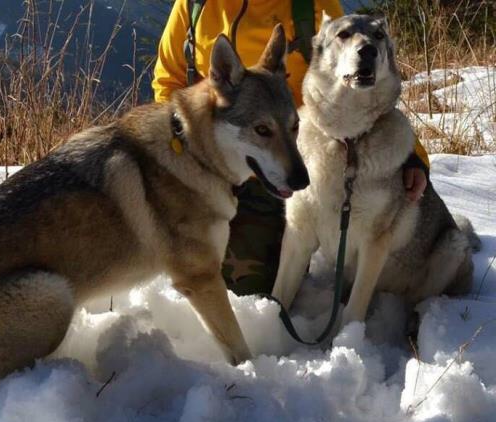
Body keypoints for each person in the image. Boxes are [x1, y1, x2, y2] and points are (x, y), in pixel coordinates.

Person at [152, 0, 429, 296]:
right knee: (184, 268)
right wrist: (180, 147)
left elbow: (359, 86)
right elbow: (170, 78)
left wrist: (413, 155)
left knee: (246, 292)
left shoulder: (310, 6)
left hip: (277, 173)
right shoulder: (194, 5)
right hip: (208, 168)